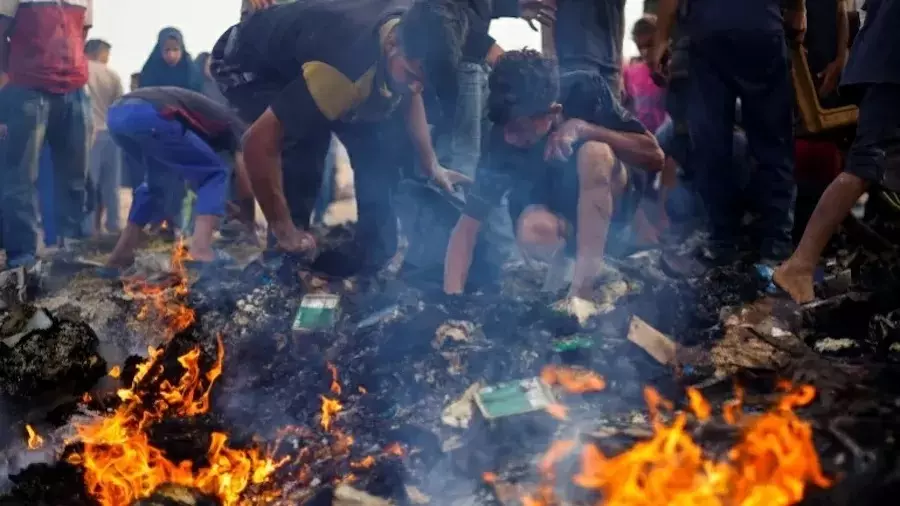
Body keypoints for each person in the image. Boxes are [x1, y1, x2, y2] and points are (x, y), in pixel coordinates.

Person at [212, 0, 471, 271]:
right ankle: (286, 250)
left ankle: (371, 252)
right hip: (246, 62)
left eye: (422, 81)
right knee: (305, 139)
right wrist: (283, 229)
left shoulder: (417, 29)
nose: (416, 87)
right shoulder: (344, 71)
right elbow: (257, 143)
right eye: (410, 75)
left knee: (377, 141)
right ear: (392, 42)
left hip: (316, 50)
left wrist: (432, 165)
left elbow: (410, 92)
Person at [443, 50, 663, 299]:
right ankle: (577, 270)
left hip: (615, 211)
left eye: (518, 128)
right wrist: (452, 299)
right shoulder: (501, 139)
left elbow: (655, 157)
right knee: (531, 227)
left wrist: (585, 129)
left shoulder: (585, 89)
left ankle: (583, 292)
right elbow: (466, 228)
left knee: (594, 154)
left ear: (550, 113)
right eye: (505, 127)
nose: (509, 138)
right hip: (565, 228)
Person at [650, 0, 805, 265]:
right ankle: (775, 245)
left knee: (711, 144)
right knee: (773, 143)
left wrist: (662, 38)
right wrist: (797, 12)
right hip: (760, 28)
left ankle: (722, 241)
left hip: (709, 32)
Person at [775, 0, 900, 304]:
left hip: (881, 59)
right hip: (891, 63)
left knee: (869, 162)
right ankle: (799, 265)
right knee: (866, 163)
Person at [104, 86, 254, 272]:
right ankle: (201, 250)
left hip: (117, 115)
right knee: (216, 173)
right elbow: (244, 175)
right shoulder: (237, 127)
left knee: (155, 184)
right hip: (153, 115)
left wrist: (221, 203)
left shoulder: (212, 122)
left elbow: (190, 172)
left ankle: (120, 255)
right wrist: (248, 219)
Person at [0, 0, 93, 268]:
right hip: (27, 89)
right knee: (20, 177)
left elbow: (81, 34)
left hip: (75, 90)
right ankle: (23, 256)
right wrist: (10, 78)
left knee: (75, 176)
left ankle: (71, 249)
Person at [140, 27, 204, 234]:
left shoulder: (191, 71)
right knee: (157, 179)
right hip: (157, 135)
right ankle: (159, 222)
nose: (171, 55)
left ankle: (179, 225)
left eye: (175, 49)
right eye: (166, 50)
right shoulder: (150, 71)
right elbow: (144, 99)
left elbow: (197, 102)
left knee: (181, 181)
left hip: (184, 134)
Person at [85, 39, 125, 236]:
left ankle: (88, 229)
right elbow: (120, 106)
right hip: (110, 133)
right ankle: (114, 225)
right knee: (111, 185)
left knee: (89, 183)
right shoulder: (112, 75)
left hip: (88, 133)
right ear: (100, 53)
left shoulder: (82, 72)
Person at [623, 14, 667, 134]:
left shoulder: (669, 71)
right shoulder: (630, 72)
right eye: (640, 47)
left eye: (649, 45)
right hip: (642, 137)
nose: (645, 51)